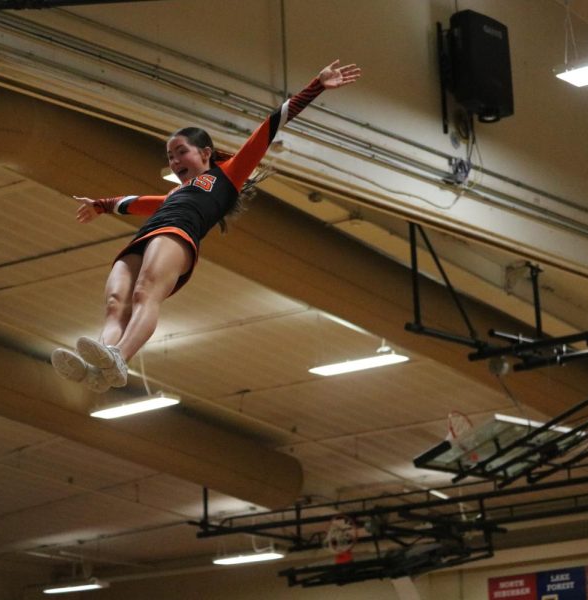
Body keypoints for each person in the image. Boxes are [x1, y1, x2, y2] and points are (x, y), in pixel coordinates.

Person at [52, 59, 362, 392]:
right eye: (170, 156)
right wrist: (103, 205)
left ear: (205, 153)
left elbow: (269, 127)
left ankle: (119, 357)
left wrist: (315, 87)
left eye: (180, 152)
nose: (173, 161)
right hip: (148, 235)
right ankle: (98, 368)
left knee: (145, 292)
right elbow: (143, 203)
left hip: (178, 236)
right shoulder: (176, 192)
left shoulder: (227, 174)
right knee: (116, 302)